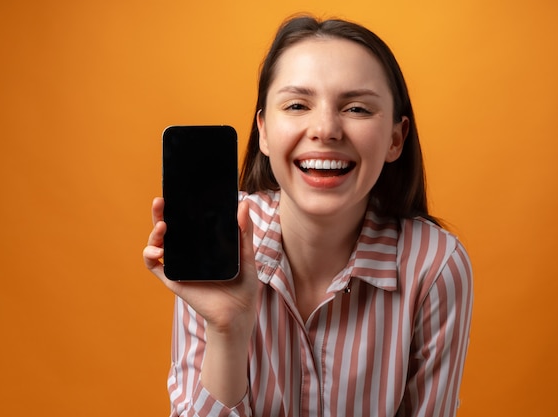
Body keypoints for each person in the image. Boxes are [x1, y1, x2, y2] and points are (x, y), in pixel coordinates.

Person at [144, 15, 473, 417]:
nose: (325, 129)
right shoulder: (219, 242)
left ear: (395, 138)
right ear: (263, 131)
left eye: (356, 108)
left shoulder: (435, 265)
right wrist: (226, 331)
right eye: (297, 105)